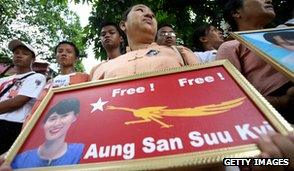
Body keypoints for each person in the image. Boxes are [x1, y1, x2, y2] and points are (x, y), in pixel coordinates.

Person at [216, 0, 293, 123]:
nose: (269, 0)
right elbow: (229, 98)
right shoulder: (231, 46)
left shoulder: (286, 34)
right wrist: (283, 101)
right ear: (236, 12)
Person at [90, 4, 200, 80]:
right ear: (123, 25)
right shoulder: (103, 67)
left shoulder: (180, 52)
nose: (149, 15)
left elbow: (204, 84)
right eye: (140, 10)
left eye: (152, 15)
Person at [22, 41, 89, 128]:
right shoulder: (49, 82)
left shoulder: (84, 77)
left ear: (76, 58)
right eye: (60, 51)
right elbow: (37, 106)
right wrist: (28, 124)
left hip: (74, 124)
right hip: (46, 124)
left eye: (69, 52)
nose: (64, 54)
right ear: (56, 56)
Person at [0, 39, 46, 154]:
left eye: (25, 53)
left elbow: (17, 102)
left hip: (12, 125)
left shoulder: (37, 78)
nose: (19, 55)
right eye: (16, 53)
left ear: (33, 59)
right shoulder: (3, 80)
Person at [11, 98, 84, 169]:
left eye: (64, 116)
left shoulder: (80, 151)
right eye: (52, 118)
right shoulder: (20, 159)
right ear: (43, 124)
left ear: (74, 118)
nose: (57, 123)